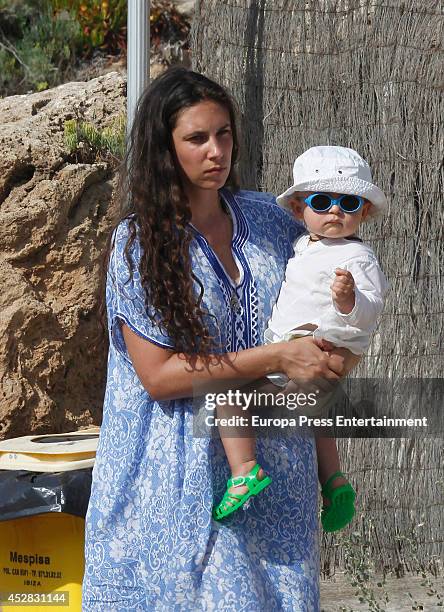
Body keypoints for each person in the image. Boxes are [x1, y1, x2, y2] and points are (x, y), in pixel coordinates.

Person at [82, 67, 357, 611]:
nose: (216, 151)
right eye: (197, 138)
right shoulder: (139, 246)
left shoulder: (270, 220)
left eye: (224, 133)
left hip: (277, 464)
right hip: (177, 470)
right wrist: (276, 355)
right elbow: (159, 377)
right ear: (166, 149)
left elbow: (324, 293)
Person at [212, 147, 388, 534]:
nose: (335, 212)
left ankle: (244, 469)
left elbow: (372, 309)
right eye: (322, 202)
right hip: (295, 352)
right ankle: (334, 482)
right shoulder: (302, 246)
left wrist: (349, 302)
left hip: (319, 348)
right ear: (298, 210)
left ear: (365, 212)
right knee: (313, 417)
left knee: (230, 398)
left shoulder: (358, 257)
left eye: (348, 203)